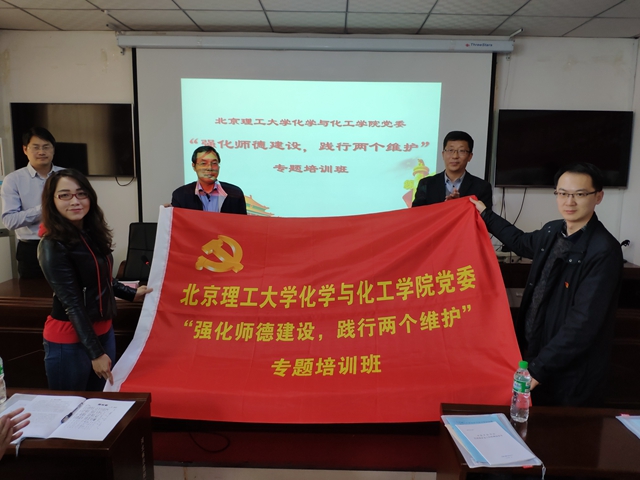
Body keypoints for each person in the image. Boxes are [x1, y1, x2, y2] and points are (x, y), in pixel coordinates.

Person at [470, 162, 623, 407]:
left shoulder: (603, 250)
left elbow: (583, 324)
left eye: (579, 194)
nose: (569, 201)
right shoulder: (553, 231)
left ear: (598, 197)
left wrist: (538, 370)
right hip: (536, 355)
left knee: (558, 429)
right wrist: (485, 214)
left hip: (569, 374)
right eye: (562, 193)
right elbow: (519, 241)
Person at [37, 169, 152, 391]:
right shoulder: (52, 244)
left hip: (104, 332)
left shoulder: (91, 232)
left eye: (81, 194)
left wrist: (132, 293)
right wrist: (96, 353)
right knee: (69, 407)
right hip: (70, 340)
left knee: (100, 402)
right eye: (65, 195)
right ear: (52, 201)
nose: (75, 201)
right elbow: (72, 303)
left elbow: (102, 278)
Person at [1, 127, 63, 278]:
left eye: (46, 147)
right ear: (25, 149)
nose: (41, 152)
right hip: (31, 249)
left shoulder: (66, 176)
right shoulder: (13, 180)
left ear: (53, 149)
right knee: (33, 292)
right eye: (36, 147)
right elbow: (9, 221)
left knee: (71, 291)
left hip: (66, 244)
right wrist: (45, 208)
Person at [412, 131, 492, 210]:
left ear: (470, 156)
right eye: (450, 150)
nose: (455, 156)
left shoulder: (482, 187)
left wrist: (460, 204)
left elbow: (484, 217)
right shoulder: (426, 184)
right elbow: (416, 214)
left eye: (461, 151)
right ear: (443, 154)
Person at [171, 146, 247, 214]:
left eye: (214, 163)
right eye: (203, 163)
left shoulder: (235, 194)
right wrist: (168, 214)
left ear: (218, 167)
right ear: (194, 166)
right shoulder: (180, 195)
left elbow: (242, 223)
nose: (209, 168)